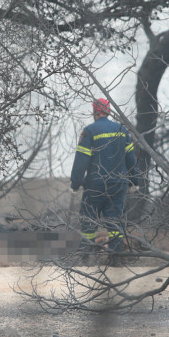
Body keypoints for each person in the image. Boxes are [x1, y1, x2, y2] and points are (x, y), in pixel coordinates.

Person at [70, 98, 138, 258]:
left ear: (94, 112)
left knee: (88, 221)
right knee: (115, 222)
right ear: (108, 111)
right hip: (118, 184)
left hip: (95, 184)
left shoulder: (90, 131)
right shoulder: (122, 130)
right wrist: (135, 181)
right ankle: (115, 258)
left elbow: (81, 160)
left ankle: (85, 259)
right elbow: (131, 158)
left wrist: (75, 184)